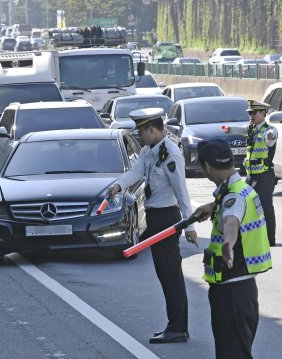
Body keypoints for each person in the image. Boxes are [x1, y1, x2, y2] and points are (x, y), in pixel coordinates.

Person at [107, 108, 198, 344]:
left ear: (153, 129)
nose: (140, 136)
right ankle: (175, 324)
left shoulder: (170, 154)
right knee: (165, 274)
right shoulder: (150, 151)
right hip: (155, 217)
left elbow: (181, 191)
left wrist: (188, 226)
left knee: (171, 275)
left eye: (142, 131)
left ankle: (178, 328)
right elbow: (136, 172)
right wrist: (117, 186)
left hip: (167, 218)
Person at [192, 139, 272, 359]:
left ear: (207, 167)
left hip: (231, 293)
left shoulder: (233, 197)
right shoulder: (240, 189)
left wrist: (228, 243)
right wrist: (212, 206)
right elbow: (231, 210)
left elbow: (231, 222)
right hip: (242, 289)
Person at [223, 100, 278, 246]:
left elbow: (271, 136)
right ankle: (251, 235)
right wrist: (228, 129)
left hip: (264, 175)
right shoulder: (251, 128)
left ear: (263, 113)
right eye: (249, 113)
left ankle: (270, 238)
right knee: (246, 204)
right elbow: (239, 130)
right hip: (250, 175)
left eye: (253, 113)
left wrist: (271, 135)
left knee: (266, 206)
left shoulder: (269, 130)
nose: (251, 116)